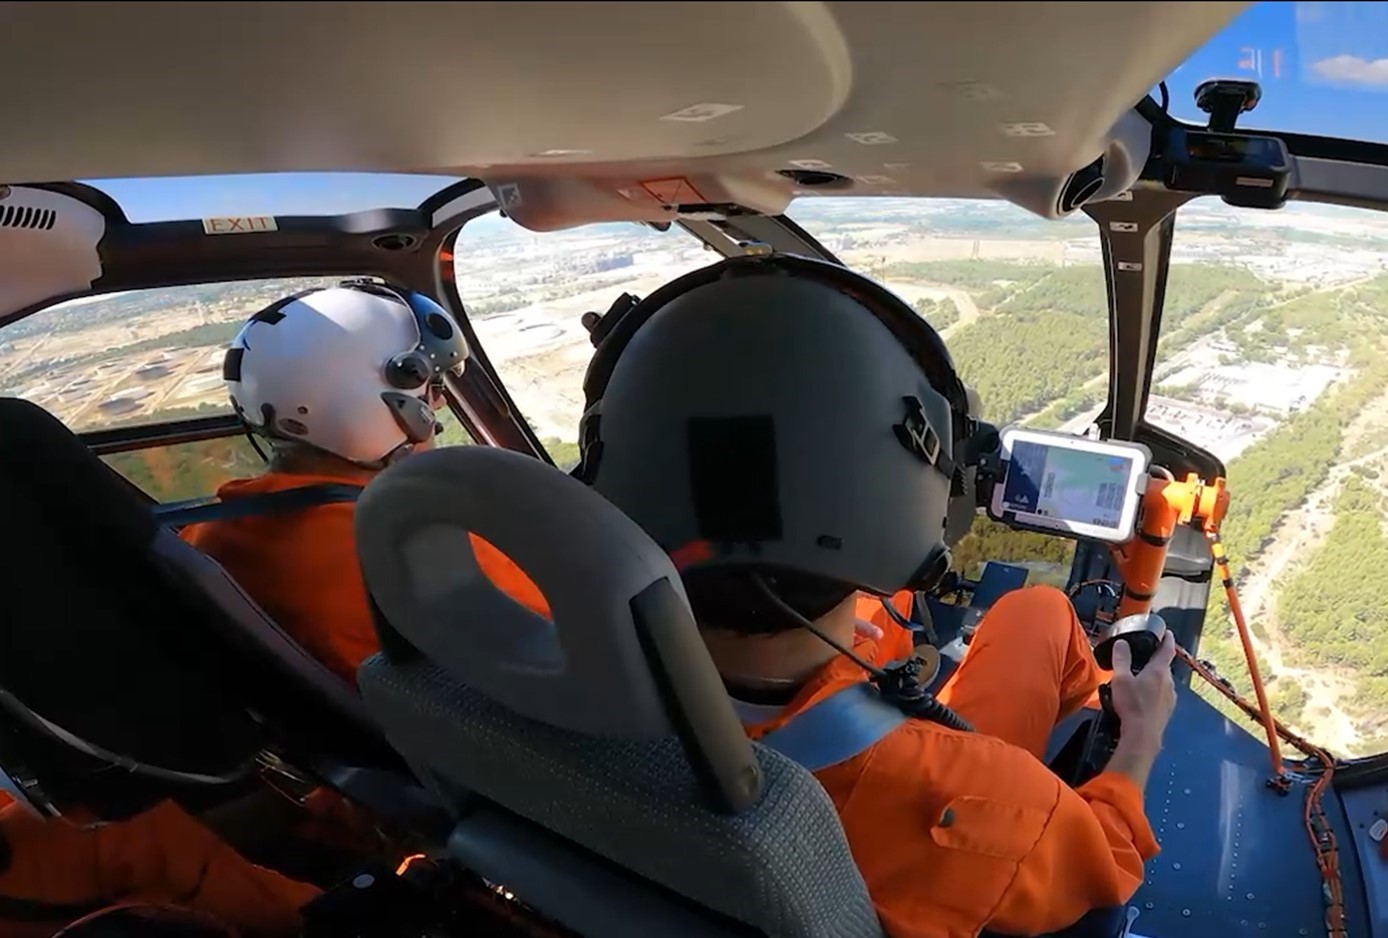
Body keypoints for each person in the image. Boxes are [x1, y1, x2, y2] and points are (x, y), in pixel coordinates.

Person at [587, 258, 1178, 938]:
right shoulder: (977, 797)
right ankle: (1111, 695)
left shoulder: (530, 649)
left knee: (1001, 612)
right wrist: (1141, 738)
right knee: (1040, 609)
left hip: (684, 719)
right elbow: (1104, 865)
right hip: (877, 800)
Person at [0, 283, 549, 937]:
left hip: (354, 770)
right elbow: (579, 666)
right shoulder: (415, 549)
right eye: (428, 389)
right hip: (504, 773)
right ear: (375, 402)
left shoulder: (215, 533)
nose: (435, 406)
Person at [180, 281, 551, 680]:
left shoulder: (204, 533)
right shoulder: (425, 555)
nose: (440, 401)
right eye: (431, 389)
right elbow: (576, 645)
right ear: (365, 405)